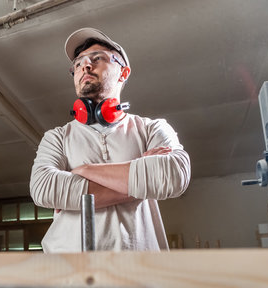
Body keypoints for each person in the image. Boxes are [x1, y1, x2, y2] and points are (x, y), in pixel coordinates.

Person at [29, 28, 191, 253]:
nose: (85, 66)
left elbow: (173, 174)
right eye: (78, 64)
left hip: (140, 273)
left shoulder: (152, 128)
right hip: (68, 275)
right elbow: (44, 188)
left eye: (97, 58)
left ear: (124, 73)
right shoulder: (56, 137)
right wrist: (142, 182)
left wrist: (83, 170)